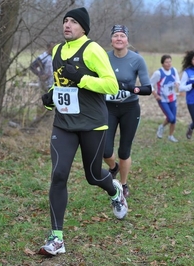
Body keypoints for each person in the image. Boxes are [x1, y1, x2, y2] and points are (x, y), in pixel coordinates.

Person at [38, 7, 127, 256]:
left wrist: (82, 77)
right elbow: (60, 85)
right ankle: (57, 238)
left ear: (83, 28)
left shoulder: (92, 49)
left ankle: (115, 190)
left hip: (92, 123)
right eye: (65, 21)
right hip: (64, 124)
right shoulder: (57, 50)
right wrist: (51, 97)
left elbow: (111, 84)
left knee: (92, 176)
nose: (67, 25)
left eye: (74, 22)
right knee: (58, 175)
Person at [104, 25, 152, 198]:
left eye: (122, 36)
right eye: (115, 35)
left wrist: (131, 88)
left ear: (127, 40)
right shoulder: (103, 57)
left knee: (124, 151)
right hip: (108, 107)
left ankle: (123, 184)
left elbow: (147, 88)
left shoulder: (137, 60)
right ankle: (113, 167)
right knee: (105, 150)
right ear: (111, 39)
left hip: (129, 108)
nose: (118, 38)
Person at [150, 55, 181, 142]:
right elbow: (149, 85)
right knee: (170, 118)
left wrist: (177, 84)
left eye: (170, 62)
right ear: (162, 63)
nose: (168, 64)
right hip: (162, 100)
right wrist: (155, 95)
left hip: (173, 98)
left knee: (174, 119)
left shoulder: (174, 70)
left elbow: (178, 80)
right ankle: (162, 127)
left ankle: (171, 136)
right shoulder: (158, 73)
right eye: (166, 62)